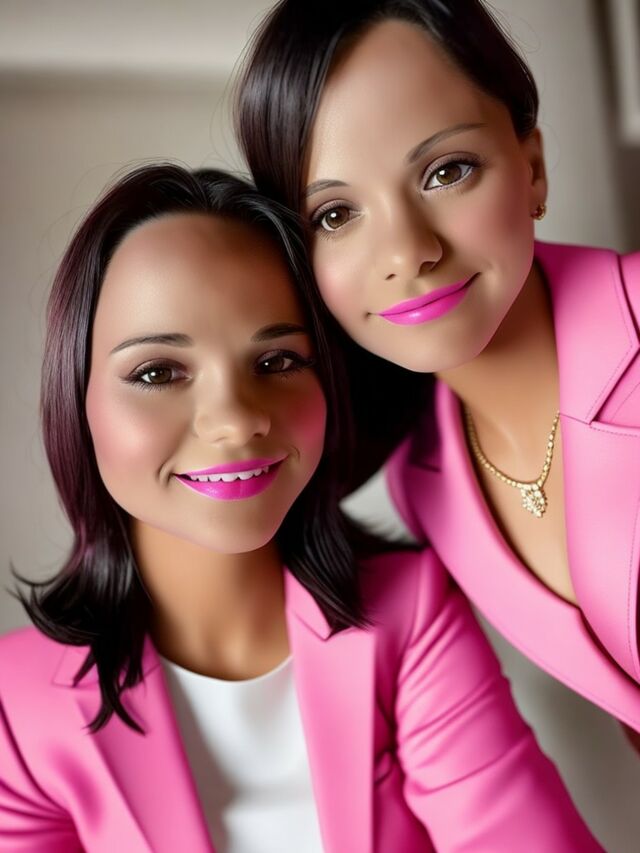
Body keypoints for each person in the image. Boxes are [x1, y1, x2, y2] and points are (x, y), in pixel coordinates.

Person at [0, 164, 599, 851]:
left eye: (278, 361)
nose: (235, 419)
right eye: (158, 372)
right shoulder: (16, 708)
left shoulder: (412, 616)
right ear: (77, 403)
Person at [234, 0, 640, 734]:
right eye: (335, 215)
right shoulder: (425, 482)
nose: (408, 252)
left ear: (533, 169)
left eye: (447, 171)